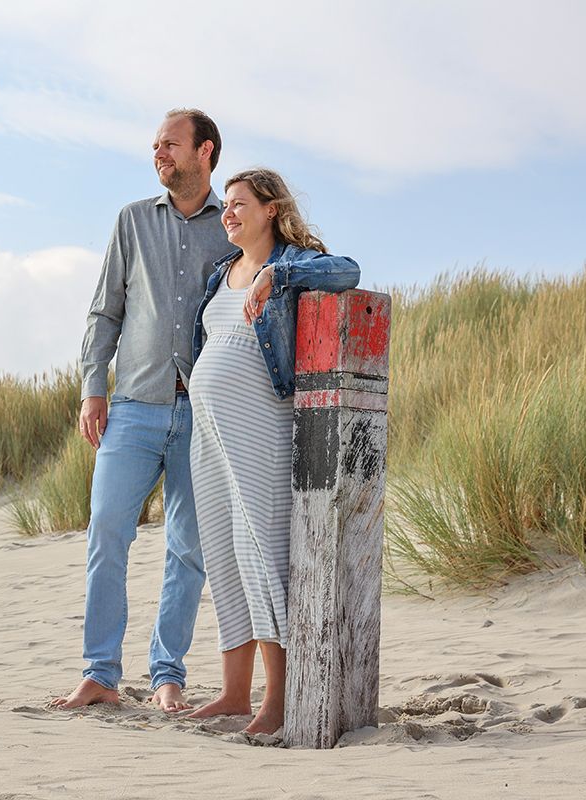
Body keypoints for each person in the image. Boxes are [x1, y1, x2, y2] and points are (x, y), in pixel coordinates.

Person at [52, 109, 230, 712]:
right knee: (107, 530)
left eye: (171, 145)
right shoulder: (132, 220)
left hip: (201, 413)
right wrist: (90, 387)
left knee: (189, 546)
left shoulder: (232, 228)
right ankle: (100, 673)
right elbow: (105, 312)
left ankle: (166, 675)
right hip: (131, 406)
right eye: (155, 146)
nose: (159, 155)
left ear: (205, 151)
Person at [185, 168, 359, 733]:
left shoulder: (293, 262)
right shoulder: (220, 274)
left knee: (260, 551)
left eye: (239, 204)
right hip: (210, 431)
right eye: (225, 205)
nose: (228, 213)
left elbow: (347, 271)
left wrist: (275, 276)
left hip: (260, 427)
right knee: (223, 553)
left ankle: (277, 699)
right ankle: (235, 693)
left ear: (271, 210)